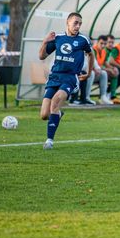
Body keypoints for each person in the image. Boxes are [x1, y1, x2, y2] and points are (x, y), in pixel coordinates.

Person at [38, 12, 94, 150]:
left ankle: (49, 141)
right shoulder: (58, 38)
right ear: (67, 23)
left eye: (80, 24)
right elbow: (41, 56)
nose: (78, 26)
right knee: (44, 115)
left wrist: (88, 73)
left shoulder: (83, 40)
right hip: (55, 77)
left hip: (70, 78)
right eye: (75, 23)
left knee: (55, 102)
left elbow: (91, 54)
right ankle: (58, 114)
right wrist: (45, 41)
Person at [91, 35, 114, 105]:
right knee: (103, 73)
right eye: (101, 43)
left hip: (97, 72)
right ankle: (86, 97)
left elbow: (105, 62)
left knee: (109, 73)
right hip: (90, 73)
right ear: (97, 43)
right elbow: (94, 64)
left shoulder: (104, 51)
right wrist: (108, 69)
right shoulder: (93, 50)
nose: (103, 45)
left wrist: (112, 68)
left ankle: (105, 96)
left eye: (105, 44)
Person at [105, 34, 120, 104]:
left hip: (107, 70)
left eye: (112, 42)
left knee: (119, 73)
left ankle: (111, 94)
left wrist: (113, 68)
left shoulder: (112, 51)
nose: (111, 44)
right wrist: (111, 68)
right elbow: (104, 63)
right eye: (109, 42)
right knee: (116, 73)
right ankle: (107, 94)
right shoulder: (104, 50)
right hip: (101, 70)